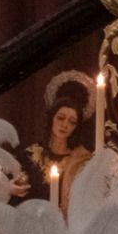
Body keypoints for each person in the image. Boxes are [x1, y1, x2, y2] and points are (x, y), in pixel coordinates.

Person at [17, 71, 93, 214]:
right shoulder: (31, 154)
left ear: (76, 128)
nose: (65, 125)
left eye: (72, 122)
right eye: (60, 118)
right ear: (52, 118)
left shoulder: (81, 161)